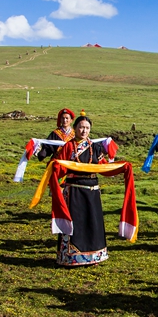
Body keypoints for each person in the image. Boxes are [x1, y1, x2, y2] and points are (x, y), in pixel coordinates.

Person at [53, 114, 114, 266]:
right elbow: (61, 168)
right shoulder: (68, 147)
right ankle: (71, 257)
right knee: (76, 223)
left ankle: (94, 256)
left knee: (93, 222)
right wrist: (54, 170)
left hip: (92, 191)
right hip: (74, 190)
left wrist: (119, 168)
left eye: (87, 128)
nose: (84, 130)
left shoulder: (95, 147)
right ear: (75, 129)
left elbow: (103, 167)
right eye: (81, 127)